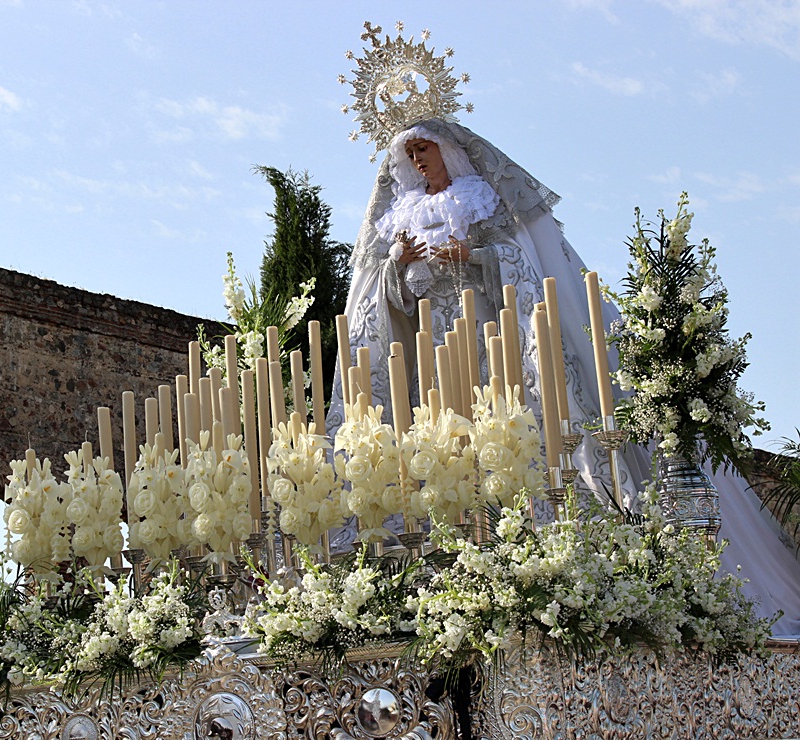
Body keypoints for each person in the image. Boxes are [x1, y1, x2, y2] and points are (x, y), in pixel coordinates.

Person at [326, 116, 800, 635]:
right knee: (444, 451)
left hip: (493, 342)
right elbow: (387, 304)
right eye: (409, 153)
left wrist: (475, 255)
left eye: (425, 149)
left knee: (510, 443)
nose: (417, 160)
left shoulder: (479, 198)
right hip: (432, 357)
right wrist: (399, 267)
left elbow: (521, 261)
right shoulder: (400, 217)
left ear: (447, 150)